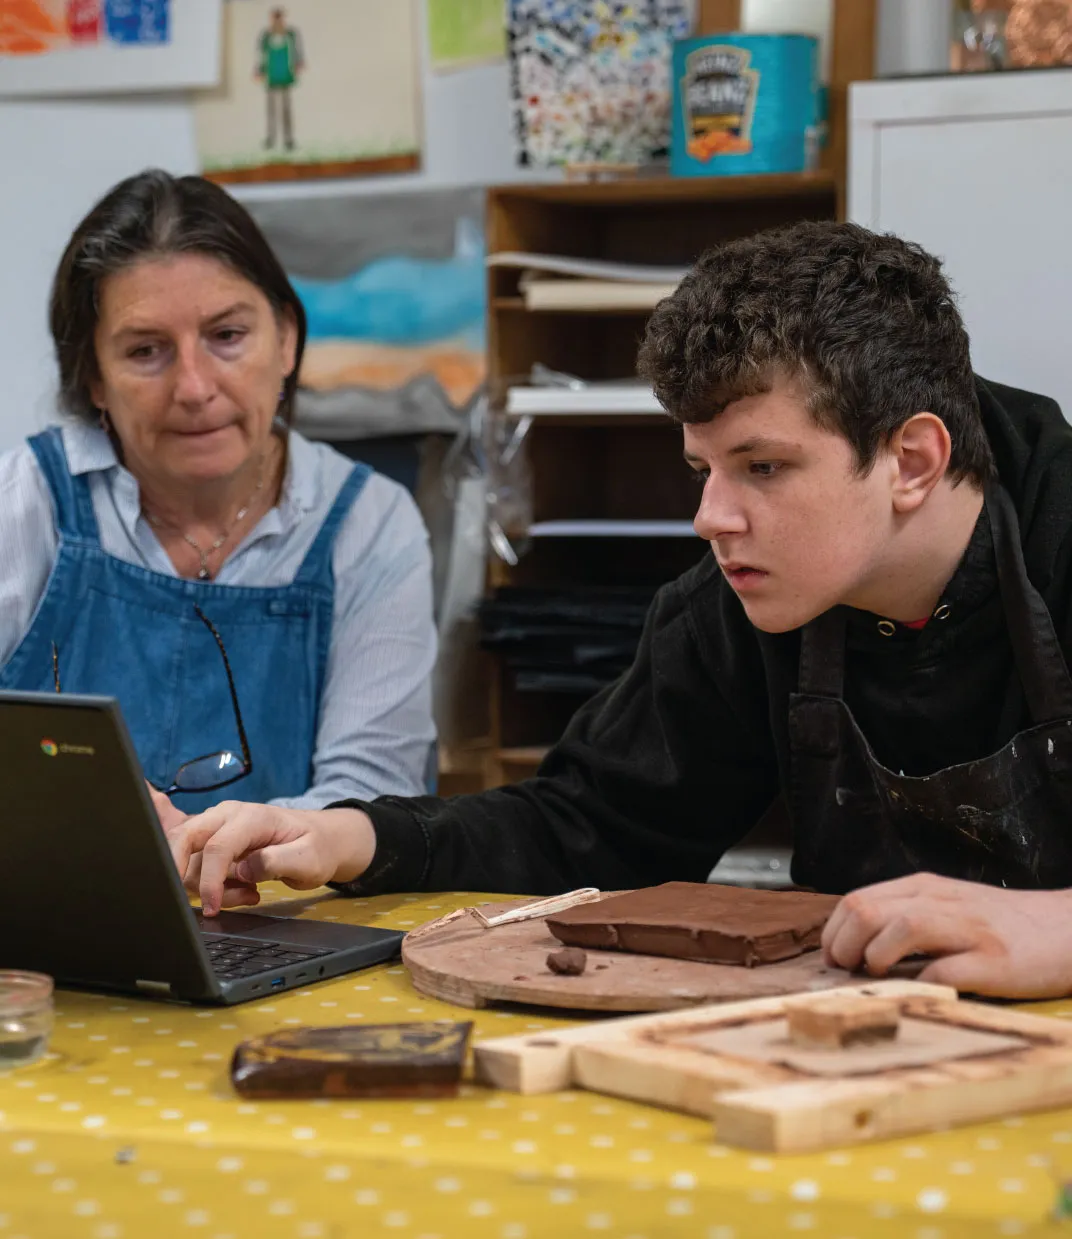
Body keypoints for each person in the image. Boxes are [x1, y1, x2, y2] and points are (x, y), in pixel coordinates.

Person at [169, 220, 1072, 1000]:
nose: (710, 517)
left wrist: (1054, 932)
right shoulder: (733, 609)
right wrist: (349, 835)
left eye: (762, 467)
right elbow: (588, 829)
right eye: (702, 469)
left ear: (912, 460)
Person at [0, 169, 436, 820]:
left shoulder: (371, 525)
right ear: (92, 376)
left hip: (290, 915)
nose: (195, 386)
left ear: (286, 339)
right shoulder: (26, 501)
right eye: (147, 350)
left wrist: (224, 851)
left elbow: (371, 802)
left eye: (227, 336)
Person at [256, 7, 303, 151]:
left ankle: (288, 140)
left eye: (280, 17)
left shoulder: (290, 34)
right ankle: (271, 138)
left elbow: (296, 51)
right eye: (275, 17)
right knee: (271, 109)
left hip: (285, 75)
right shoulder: (266, 35)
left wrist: (297, 64)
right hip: (271, 76)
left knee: (286, 109)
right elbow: (261, 55)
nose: (277, 20)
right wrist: (260, 70)